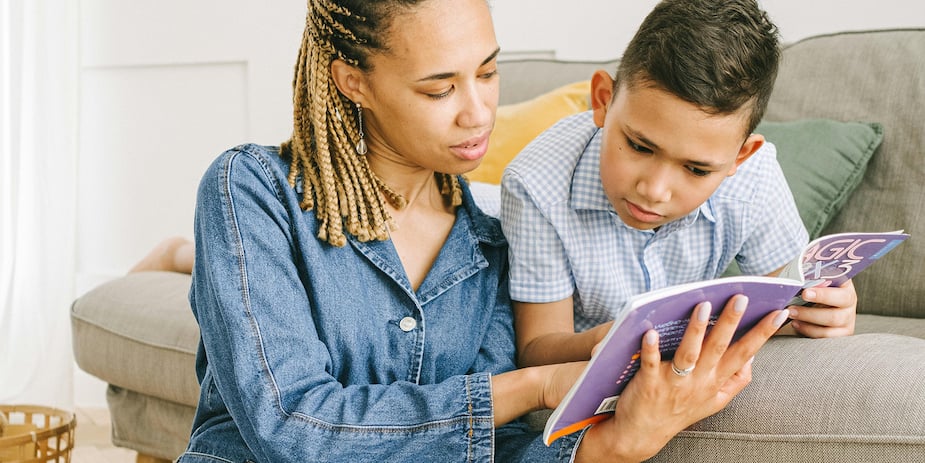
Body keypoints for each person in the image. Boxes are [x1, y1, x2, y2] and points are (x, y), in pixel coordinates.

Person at [139, 1, 791, 461]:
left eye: (486, 72)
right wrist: (533, 385)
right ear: (354, 81)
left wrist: (622, 442)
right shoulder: (250, 189)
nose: (478, 112)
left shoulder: (486, 245)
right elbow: (292, 426)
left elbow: (492, 452)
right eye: (438, 88)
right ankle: (184, 257)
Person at [500, 0, 858, 370]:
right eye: (640, 146)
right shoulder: (535, 185)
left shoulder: (755, 178)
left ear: (740, 157)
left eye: (697, 169)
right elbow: (537, 350)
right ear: (603, 100)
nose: (655, 190)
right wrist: (613, 340)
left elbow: (788, 302)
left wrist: (822, 314)